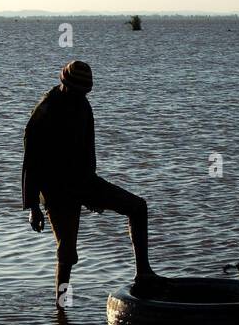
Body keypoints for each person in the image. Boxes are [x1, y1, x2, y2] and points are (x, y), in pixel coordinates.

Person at [21, 60, 165, 304]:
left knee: (138, 208)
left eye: (85, 93)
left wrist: (92, 193)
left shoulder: (83, 106)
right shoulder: (45, 111)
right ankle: (62, 308)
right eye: (77, 91)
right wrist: (33, 206)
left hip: (84, 182)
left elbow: (88, 151)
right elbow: (31, 161)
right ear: (64, 84)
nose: (81, 96)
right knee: (67, 254)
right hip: (57, 191)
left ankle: (143, 273)